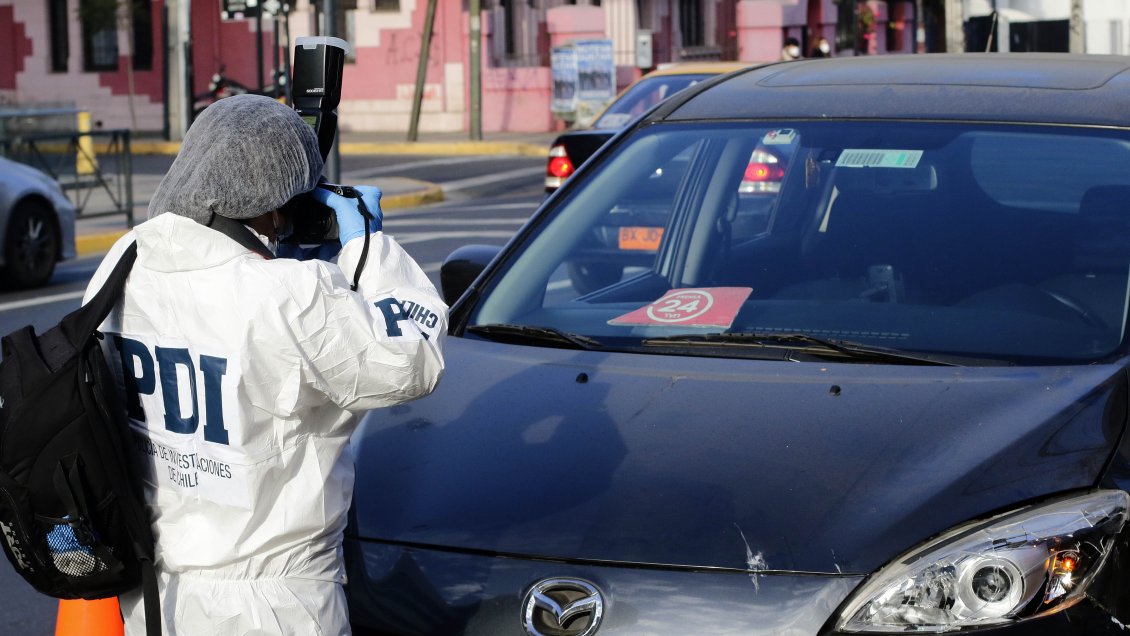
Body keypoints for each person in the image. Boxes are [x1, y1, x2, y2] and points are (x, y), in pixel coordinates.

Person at [82, 94, 447, 635]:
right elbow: (413, 358)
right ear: (275, 207)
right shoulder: (290, 297)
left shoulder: (123, 261)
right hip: (275, 607)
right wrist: (367, 245)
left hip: (155, 598)